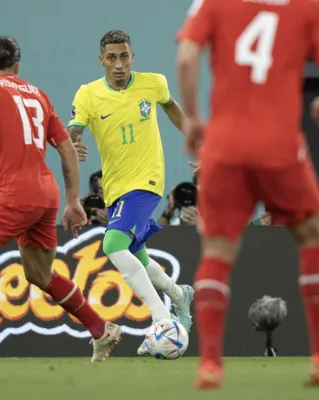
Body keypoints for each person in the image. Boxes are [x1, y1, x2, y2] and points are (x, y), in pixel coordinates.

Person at [176, 0, 319, 389]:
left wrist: (191, 117)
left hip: (223, 149)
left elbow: (188, 56)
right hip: (280, 148)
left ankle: (209, 364)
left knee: (217, 251)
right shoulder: (310, 7)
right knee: (312, 234)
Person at [0, 36, 120, 364]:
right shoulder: (38, 95)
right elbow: (67, 148)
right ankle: (101, 329)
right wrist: (73, 201)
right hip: (47, 195)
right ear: (17, 66)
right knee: (40, 274)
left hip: (18, 194)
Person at [68, 30, 195, 356]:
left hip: (147, 180)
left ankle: (162, 318)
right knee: (135, 254)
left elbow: (171, 108)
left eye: (124, 56)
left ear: (132, 57)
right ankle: (178, 293)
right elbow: (75, 129)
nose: (119, 64)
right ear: (101, 61)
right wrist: (73, 141)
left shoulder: (153, 83)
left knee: (112, 244)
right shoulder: (88, 94)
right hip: (115, 188)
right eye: (111, 58)